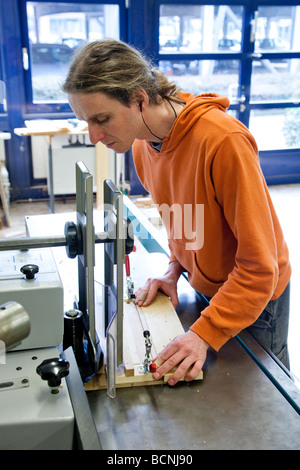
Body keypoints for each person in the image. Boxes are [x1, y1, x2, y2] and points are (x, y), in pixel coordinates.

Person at [63, 39, 291, 386]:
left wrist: (203, 334)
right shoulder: (142, 145)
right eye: (85, 121)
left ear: (139, 98)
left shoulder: (222, 142)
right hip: (210, 288)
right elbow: (186, 222)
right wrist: (174, 268)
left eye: (102, 119)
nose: (94, 136)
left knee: (266, 399)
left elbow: (261, 267)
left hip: (257, 299)